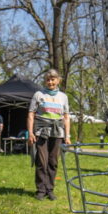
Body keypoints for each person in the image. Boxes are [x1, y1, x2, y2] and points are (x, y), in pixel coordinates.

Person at [27, 69, 71, 200]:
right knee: (42, 161)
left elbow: (66, 117)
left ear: (58, 80)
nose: (50, 82)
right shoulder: (38, 94)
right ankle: (40, 190)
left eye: (53, 79)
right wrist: (30, 132)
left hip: (57, 132)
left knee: (53, 161)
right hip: (41, 131)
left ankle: (50, 189)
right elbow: (31, 114)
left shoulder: (63, 97)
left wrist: (67, 136)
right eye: (48, 79)